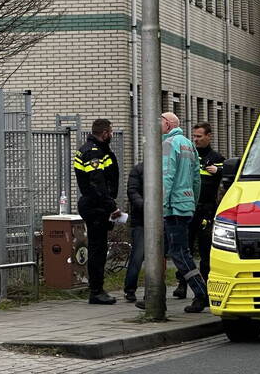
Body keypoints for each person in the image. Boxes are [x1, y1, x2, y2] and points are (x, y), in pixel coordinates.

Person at [138, 112, 209, 313]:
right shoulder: (188, 143)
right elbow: (197, 178)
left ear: (168, 124)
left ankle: (201, 293)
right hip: (184, 205)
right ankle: (153, 296)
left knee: (178, 253)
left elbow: (166, 177)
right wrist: (192, 202)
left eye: (158, 121)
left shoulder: (169, 144)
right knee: (161, 252)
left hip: (172, 207)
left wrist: (158, 207)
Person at [174, 122, 224, 299]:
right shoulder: (190, 155)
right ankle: (181, 285)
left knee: (204, 251)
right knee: (184, 248)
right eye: (194, 136)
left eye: (199, 136)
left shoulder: (216, 158)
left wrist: (218, 171)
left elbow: (229, 179)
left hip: (207, 211)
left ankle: (206, 287)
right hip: (189, 209)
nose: (195, 139)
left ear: (209, 136)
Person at [73, 118, 121, 304]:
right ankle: (96, 291)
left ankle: (97, 289)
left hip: (95, 204)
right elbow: (97, 183)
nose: (111, 135)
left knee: (98, 248)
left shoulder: (91, 149)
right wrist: (112, 207)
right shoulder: (94, 153)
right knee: (97, 249)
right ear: (105, 133)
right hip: (96, 206)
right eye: (110, 132)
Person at [123, 162, 144, 303]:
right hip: (142, 219)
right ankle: (130, 289)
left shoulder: (168, 169)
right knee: (137, 255)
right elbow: (132, 191)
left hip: (165, 217)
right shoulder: (139, 169)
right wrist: (145, 205)